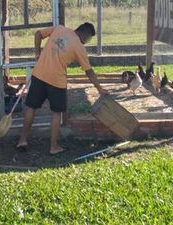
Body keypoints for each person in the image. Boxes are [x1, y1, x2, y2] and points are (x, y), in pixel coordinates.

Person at [17, 22, 109, 155]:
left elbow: (38, 34)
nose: (87, 42)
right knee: (56, 113)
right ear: (86, 35)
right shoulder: (79, 47)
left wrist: (37, 53)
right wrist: (99, 88)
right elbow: (89, 71)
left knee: (31, 108)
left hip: (39, 75)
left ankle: (22, 140)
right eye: (89, 39)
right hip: (57, 82)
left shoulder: (59, 29)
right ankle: (53, 147)